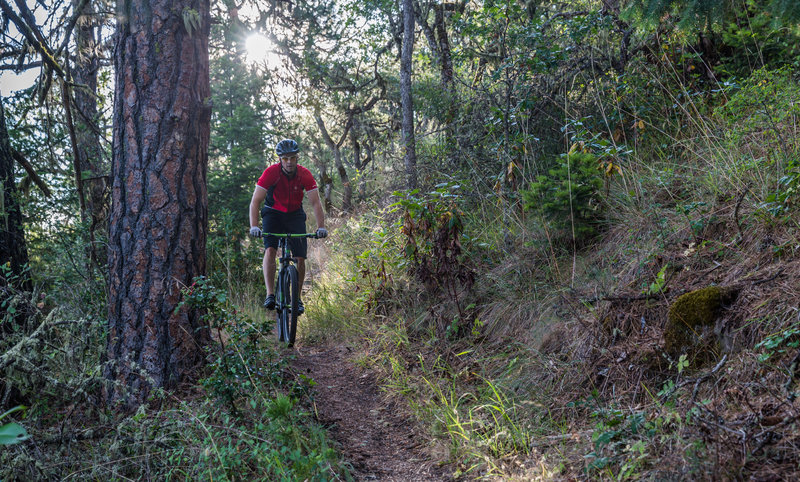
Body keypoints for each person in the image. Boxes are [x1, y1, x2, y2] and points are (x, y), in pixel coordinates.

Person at [249, 139, 327, 314]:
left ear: (297, 158)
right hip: (272, 213)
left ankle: (297, 299)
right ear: (280, 159)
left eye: (292, 158)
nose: (289, 162)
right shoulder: (271, 173)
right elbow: (255, 202)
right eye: (285, 158)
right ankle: (270, 294)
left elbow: (315, 203)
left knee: (300, 257)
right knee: (270, 249)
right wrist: (254, 226)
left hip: (294, 214)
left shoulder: (304, 174)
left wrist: (321, 227)